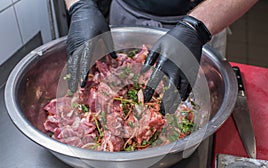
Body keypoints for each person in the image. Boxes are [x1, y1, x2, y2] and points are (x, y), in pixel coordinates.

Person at [64, 0, 257, 114]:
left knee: (193, 105)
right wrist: (80, 5)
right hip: (126, 14)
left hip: (207, 21)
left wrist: (196, 28)